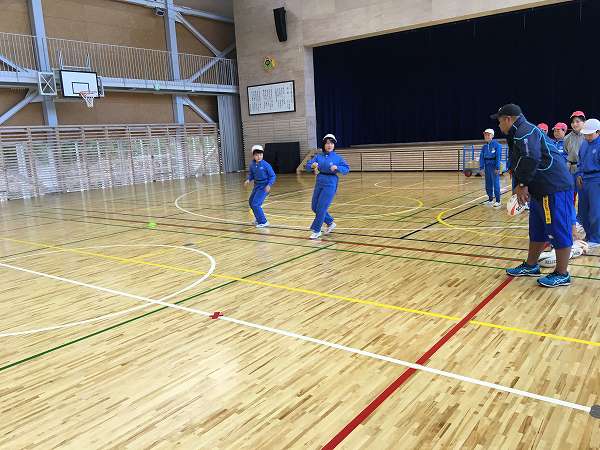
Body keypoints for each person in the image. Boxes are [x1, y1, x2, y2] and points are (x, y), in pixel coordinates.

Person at [492, 104, 575, 287]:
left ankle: (562, 274)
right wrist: (521, 185)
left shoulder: (525, 131)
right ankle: (531, 265)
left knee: (558, 229)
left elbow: (531, 158)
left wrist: (523, 185)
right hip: (539, 188)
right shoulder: (517, 132)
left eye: (499, 121)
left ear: (508, 119)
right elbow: (520, 161)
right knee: (537, 229)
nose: (499, 125)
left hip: (554, 187)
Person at [305, 134, 350, 239]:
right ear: (324, 145)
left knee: (321, 208)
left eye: (331, 143)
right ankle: (330, 222)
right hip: (319, 181)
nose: (329, 145)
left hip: (331, 183)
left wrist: (337, 167)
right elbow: (307, 166)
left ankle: (317, 230)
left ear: (334, 145)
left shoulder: (337, 158)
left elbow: (346, 169)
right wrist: (312, 166)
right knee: (314, 207)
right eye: (327, 143)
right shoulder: (318, 156)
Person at [576, 118, 600, 249]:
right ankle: (589, 235)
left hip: (596, 180)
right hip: (583, 179)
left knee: (595, 211)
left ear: (598, 132)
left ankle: (596, 238)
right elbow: (580, 160)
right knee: (583, 211)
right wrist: (579, 174)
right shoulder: (584, 143)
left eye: (590, 134)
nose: (587, 137)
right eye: (585, 134)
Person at [564, 110, 586, 233]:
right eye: (573, 122)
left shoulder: (588, 136)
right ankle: (571, 220)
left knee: (583, 197)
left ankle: (580, 220)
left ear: (584, 122)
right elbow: (565, 153)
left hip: (583, 170)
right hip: (570, 170)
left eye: (578, 121)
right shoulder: (567, 138)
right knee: (569, 196)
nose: (575, 124)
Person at [245, 144, 276, 228]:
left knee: (256, 204)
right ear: (253, 156)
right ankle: (258, 219)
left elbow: (273, 176)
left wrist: (269, 185)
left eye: (260, 154)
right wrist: (248, 179)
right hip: (256, 186)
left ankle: (264, 221)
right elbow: (251, 174)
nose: (259, 156)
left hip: (264, 187)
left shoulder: (266, 165)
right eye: (256, 155)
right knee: (251, 202)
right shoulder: (252, 164)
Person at [479, 128, 502, 207]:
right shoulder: (484, 147)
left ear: (492, 135)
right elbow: (481, 157)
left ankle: (498, 200)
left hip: (494, 167)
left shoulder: (497, 145)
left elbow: (498, 157)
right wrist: (481, 168)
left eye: (488, 134)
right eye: (485, 134)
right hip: (487, 167)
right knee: (488, 183)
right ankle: (490, 199)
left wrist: (497, 167)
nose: (486, 136)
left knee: (496, 183)